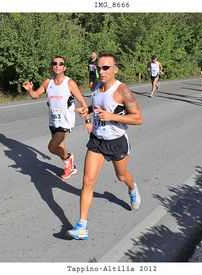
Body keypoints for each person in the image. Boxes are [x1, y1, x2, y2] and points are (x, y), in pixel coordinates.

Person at [67, 51, 143, 240]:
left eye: (106, 68)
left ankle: (133, 188)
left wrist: (112, 117)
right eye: (99, 68)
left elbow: (138, 118)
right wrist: (88, 109)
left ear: (115, 70)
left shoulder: (122, 91)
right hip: (97, 141)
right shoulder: (97, 86)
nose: (101, 71)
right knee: (87, 182)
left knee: (122, 176)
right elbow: (98, 105)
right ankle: (82, 226)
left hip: (116, 142)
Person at [21, 56, 89, 179]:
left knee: (52, 147)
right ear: (51, 66)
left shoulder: (70, 83)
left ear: (64, 67)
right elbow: (36, 95)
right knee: (60, 146)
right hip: (53, 120)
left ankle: (68, 158)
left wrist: (87, 119)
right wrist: (30, 90)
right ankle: (70, 167)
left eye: (60, 63)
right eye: (54, 63)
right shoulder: (48, 82)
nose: (57, 65)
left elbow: (82, 101)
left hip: (66, 121)